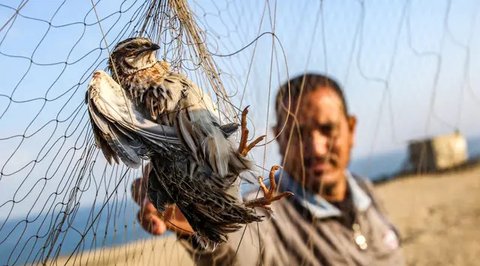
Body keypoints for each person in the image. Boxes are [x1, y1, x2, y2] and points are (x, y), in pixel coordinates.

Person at [132, 73, 405, 265]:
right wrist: (190, 215)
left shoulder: (365, 191)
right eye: (298, 133)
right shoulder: (261, 214)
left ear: (351, 129)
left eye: (327, 129)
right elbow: (236, 251)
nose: (316, 148)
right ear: (279, 137)